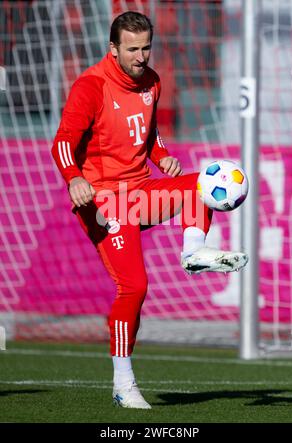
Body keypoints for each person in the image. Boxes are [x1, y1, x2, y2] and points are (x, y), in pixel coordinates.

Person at [51, 11, 248, 410]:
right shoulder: (91, 86)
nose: (141, 56)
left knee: (202, 185)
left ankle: (193, 251)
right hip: (103, 200)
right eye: (132, 49)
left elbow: (150, 132)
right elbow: (62, 142)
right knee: (135, 287)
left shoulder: (153, 82)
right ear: (113, 49)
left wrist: (163, 157)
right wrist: (74, 178)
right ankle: (124, 384)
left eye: (146, 47)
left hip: (141, 192)